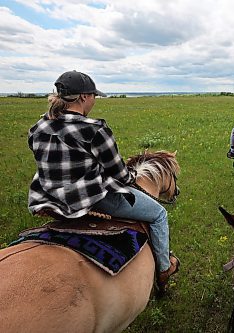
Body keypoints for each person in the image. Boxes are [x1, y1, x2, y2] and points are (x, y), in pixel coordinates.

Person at [27, 70, 179, 291]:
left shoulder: (38, 127)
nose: (94, 101)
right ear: (83, 97)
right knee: (159, 214)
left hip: (48, 198)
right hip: (93, 199)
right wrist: (132, 175)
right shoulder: (94, 129)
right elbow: (120, 175)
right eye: (93, 96)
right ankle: (164, 269)